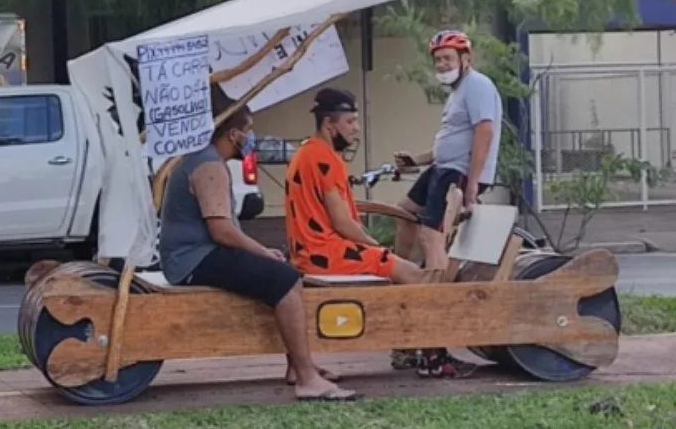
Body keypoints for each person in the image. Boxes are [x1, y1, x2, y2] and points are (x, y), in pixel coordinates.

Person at [158, 90, 361, 402]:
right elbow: (222, 231)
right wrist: (263, 252)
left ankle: (298, 367)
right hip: (192, 260)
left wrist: (265, 255)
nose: (252, 137)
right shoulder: (208, 165)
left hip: (194, 256)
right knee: (285, 278)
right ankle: (307, 379)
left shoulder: (205, 159)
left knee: (286, 272)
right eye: (249, 129)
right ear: (234, 134)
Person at [283, 87, 478, 378]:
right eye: (350, 122)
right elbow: (342, 222)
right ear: (329, 124)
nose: (355, 129)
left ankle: (298, 368)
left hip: (308, 251)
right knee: (415, 275)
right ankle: (433, 358)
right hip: (324, 253)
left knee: (399, 267)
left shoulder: (305, 153)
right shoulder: (325, 159)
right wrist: (375, 247)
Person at [390, 29, 503, 369]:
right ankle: (403, 273)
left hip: (457, 174)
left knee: (431, 237)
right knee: (403, 211)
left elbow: (484, 132)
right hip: (441, 168)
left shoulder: (478, 85)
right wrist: (417, 160)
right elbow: (452, 140)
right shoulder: (456, 93)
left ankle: (434, 338)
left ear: (465, 59)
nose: (442, 64)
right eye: (438, 60)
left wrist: (470, 187)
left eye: (448, 58)